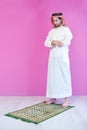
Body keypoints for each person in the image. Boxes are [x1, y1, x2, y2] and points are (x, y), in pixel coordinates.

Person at [44, 12, 73, 108]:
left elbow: (66, 41)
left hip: (62, 57)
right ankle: (53, 97)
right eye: (53, 21)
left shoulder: (66, 30)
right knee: (53, 77)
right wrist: (52, 42)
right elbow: (46, 42)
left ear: (61, 19)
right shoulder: (51, 31)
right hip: (53, 58)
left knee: (64, 76)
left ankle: (66, 99)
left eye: (56, 20)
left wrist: (58, 42)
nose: (55, 22)